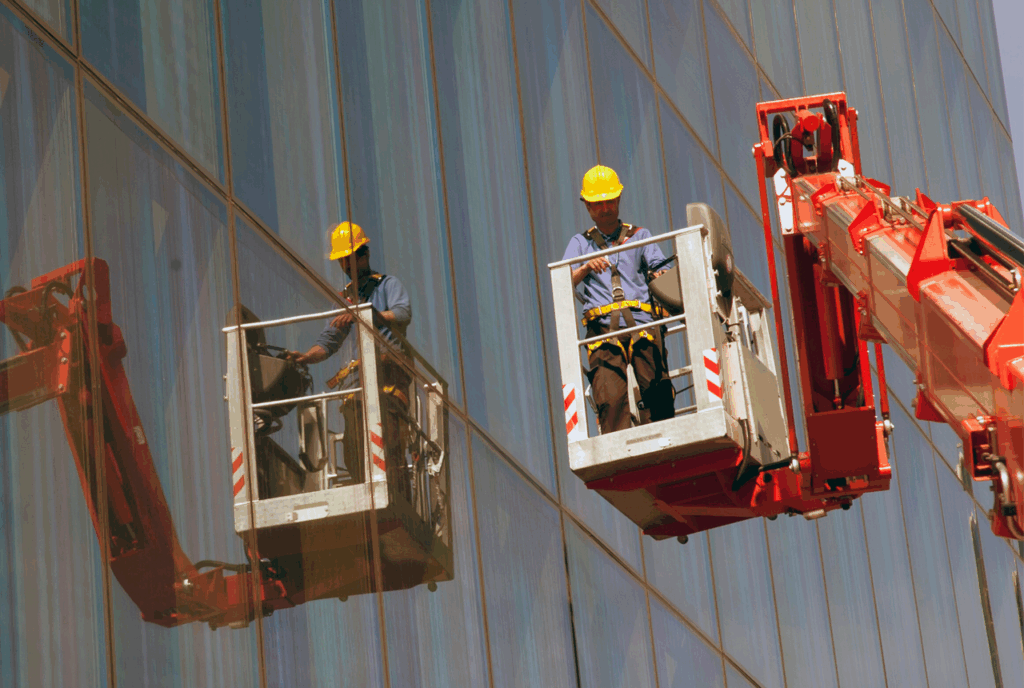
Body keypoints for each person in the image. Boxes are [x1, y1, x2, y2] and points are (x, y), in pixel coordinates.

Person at [289, 222, 412, 483]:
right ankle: (363, 488)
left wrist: (364, 315)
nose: (344, 266)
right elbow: (329, 341)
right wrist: (306, 357)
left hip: (388, 374)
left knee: (388, 439)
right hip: (359, 382)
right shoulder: (344, 299)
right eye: (341, 260)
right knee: (354, 448)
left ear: (363, 255)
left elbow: (402, 313)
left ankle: (395, 489)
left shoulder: (387, 285)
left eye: (348, 258)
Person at [561, 165, 675, 433]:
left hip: (642, 323)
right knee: (611, 401)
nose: (604, 209)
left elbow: (661, 269)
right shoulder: (580, 243)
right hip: (602, 330)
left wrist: (661, 276)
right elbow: (563, 280)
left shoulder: (640, 236)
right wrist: (586, 266)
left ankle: (661, 439)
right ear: (588, 207)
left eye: (609, 201)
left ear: (619, 199)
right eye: (598, 204)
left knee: (657, 392)